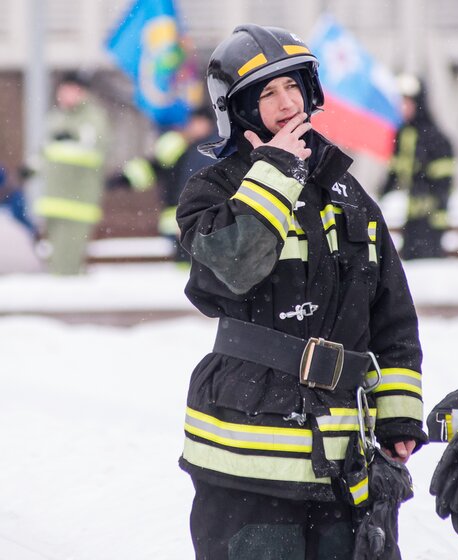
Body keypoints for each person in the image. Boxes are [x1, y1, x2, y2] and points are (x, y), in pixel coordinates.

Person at [175, 24, 427, 559]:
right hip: (247, 459)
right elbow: (234, 268)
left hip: (341, 460)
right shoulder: (212, 190)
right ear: (238, 108)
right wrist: (276, 172)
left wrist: (399, 414)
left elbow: (392, 313)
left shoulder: (347, 191)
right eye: (267, 93)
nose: (287, 102)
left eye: (293, 86)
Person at [113, 106, 219, 262]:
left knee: (202, 265)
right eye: (194, 121)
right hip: (175, 217)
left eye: (201, 122)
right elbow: (154, 168)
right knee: (186, 264)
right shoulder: (177, 145)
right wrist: (127, 178)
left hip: (207, 218)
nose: (196, 126)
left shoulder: (217, 150)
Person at [32, 71, 111, 275]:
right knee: (54, 256)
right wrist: (32, 167)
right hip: (53, 199)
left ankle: (69, 293)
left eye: (70, 91)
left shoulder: (93, 118)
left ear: (81, 92)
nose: (65, 96)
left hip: (78, 200)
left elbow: (95, 154)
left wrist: (70, 141)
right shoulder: (55, 117)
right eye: (63, 91)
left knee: (70, 257)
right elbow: (44, 152)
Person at [381, 74, 455, 259]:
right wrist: (378, 199)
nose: (403, 107)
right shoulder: (403, 133)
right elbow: (395, 172)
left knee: (427, 264)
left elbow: (443, 182)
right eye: (401, 102)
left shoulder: (434, 137)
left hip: (431, 220)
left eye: (407, 102)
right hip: (412, 218)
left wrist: (437, 214)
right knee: (409, 260)